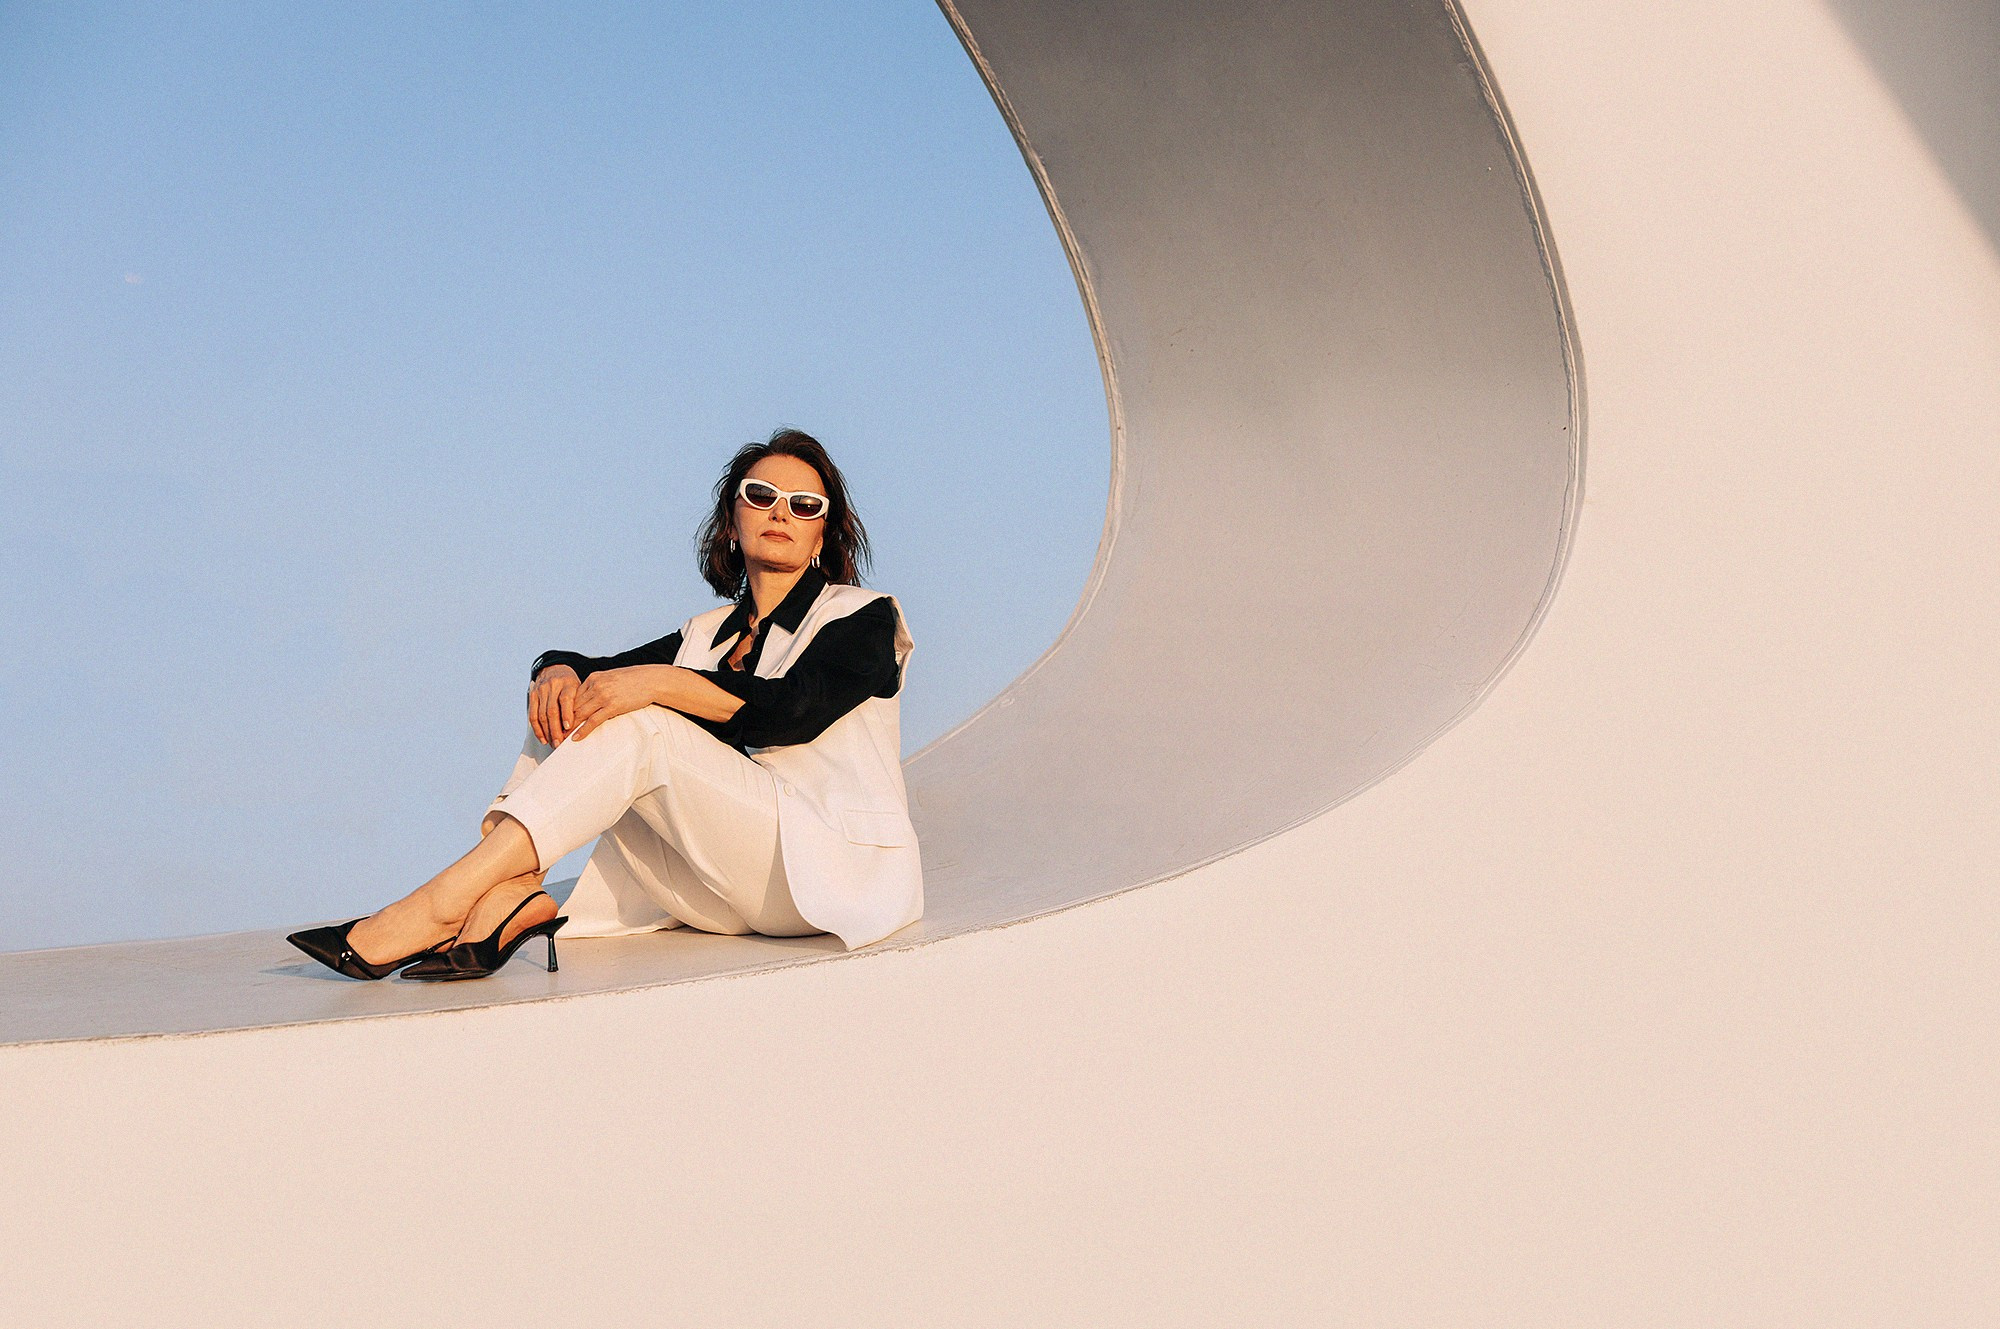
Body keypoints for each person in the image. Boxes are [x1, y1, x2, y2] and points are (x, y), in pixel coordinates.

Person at [287, 428, 922, 981]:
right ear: (731, 522)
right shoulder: (706, 635)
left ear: (823, 531)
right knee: (580, 699)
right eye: (760, 496)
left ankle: (439, 905)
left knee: (642, 720)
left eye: (803, 504)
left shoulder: (861, 618)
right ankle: (506, 889)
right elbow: (593, 672)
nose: (780, 511)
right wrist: (556, 670)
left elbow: (793, 710)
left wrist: (655, 685)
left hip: (829, 875)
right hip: (715, 893)